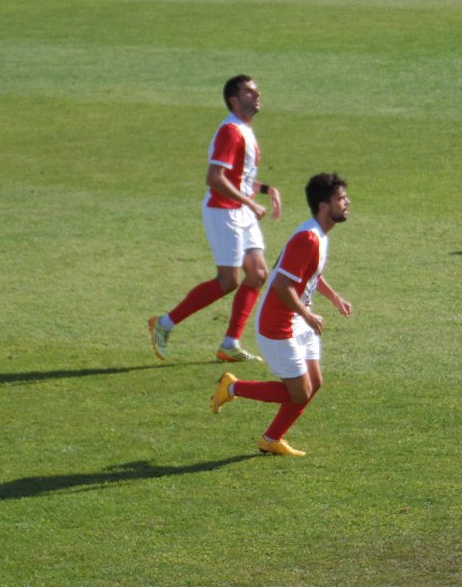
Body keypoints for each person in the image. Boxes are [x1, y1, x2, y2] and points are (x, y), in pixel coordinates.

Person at [211, 172, 352, 457]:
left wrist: (334, 297)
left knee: (314, 383)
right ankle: (233, 387)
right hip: (278, 325)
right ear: (324, 206)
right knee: (299, 392)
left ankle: (271, 439)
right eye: (341, 198)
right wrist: (308, 315)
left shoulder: (319, 236)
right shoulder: (308, 238)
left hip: (298, 319)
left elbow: (309, 274)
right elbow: (282, 285)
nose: (347, 202)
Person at [149, 75, 282, 363]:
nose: (257, 94)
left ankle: (230, 344)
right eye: (249, 92)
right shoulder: (230, 132)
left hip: (241, 210)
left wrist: (265, 189)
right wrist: (249, 201)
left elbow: (239, 178)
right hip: (224, 211)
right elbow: (214, 178)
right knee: (228, 280)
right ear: (234, 99)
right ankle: (164, 323)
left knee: (258, 273)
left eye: (257, 90)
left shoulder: (245, 131)